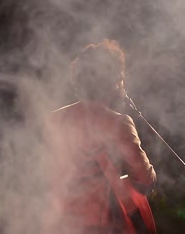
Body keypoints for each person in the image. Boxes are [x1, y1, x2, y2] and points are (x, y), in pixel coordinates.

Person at [44, 39, 157, 234]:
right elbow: (145, 180)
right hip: (101, 226)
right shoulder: (118, 123)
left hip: (57, 224)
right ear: (114, 81)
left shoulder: (54, 119)